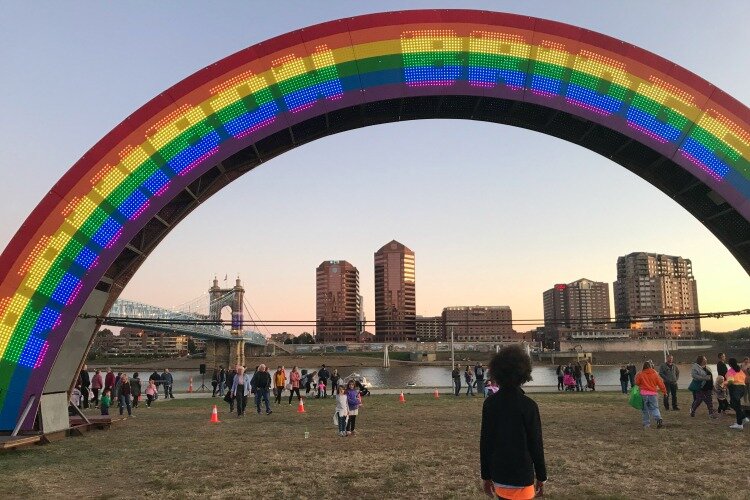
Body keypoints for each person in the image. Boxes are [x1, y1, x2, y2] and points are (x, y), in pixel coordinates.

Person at [480, 345, 546, 499]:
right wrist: (541, 476)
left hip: (499, 474)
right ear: (524, 373)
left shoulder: (489, 404)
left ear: (497, 372)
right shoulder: (529, 405)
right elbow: (536, 444)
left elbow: (486, 443)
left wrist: (486, 475)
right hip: (523, 476)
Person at [635, 361, 667, 429]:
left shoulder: (641, 374)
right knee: (655, 408)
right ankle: (658, 418)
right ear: (651, 366)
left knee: (644, 410)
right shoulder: (655, 374)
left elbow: (637, 383)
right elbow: (660, 383)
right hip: (653, 394)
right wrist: (664, 392)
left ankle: (646, 424)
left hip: (643, 394)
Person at [725, 358, 749, 430]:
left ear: (729, 364)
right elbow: (744, 378)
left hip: (735, 388)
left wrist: (724, 383)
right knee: (737, 404)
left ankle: (740, 423)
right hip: (742, 388)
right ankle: (741, 420)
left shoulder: (731, 371)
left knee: (733, 404)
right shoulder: (740, 370)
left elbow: (730, 381)